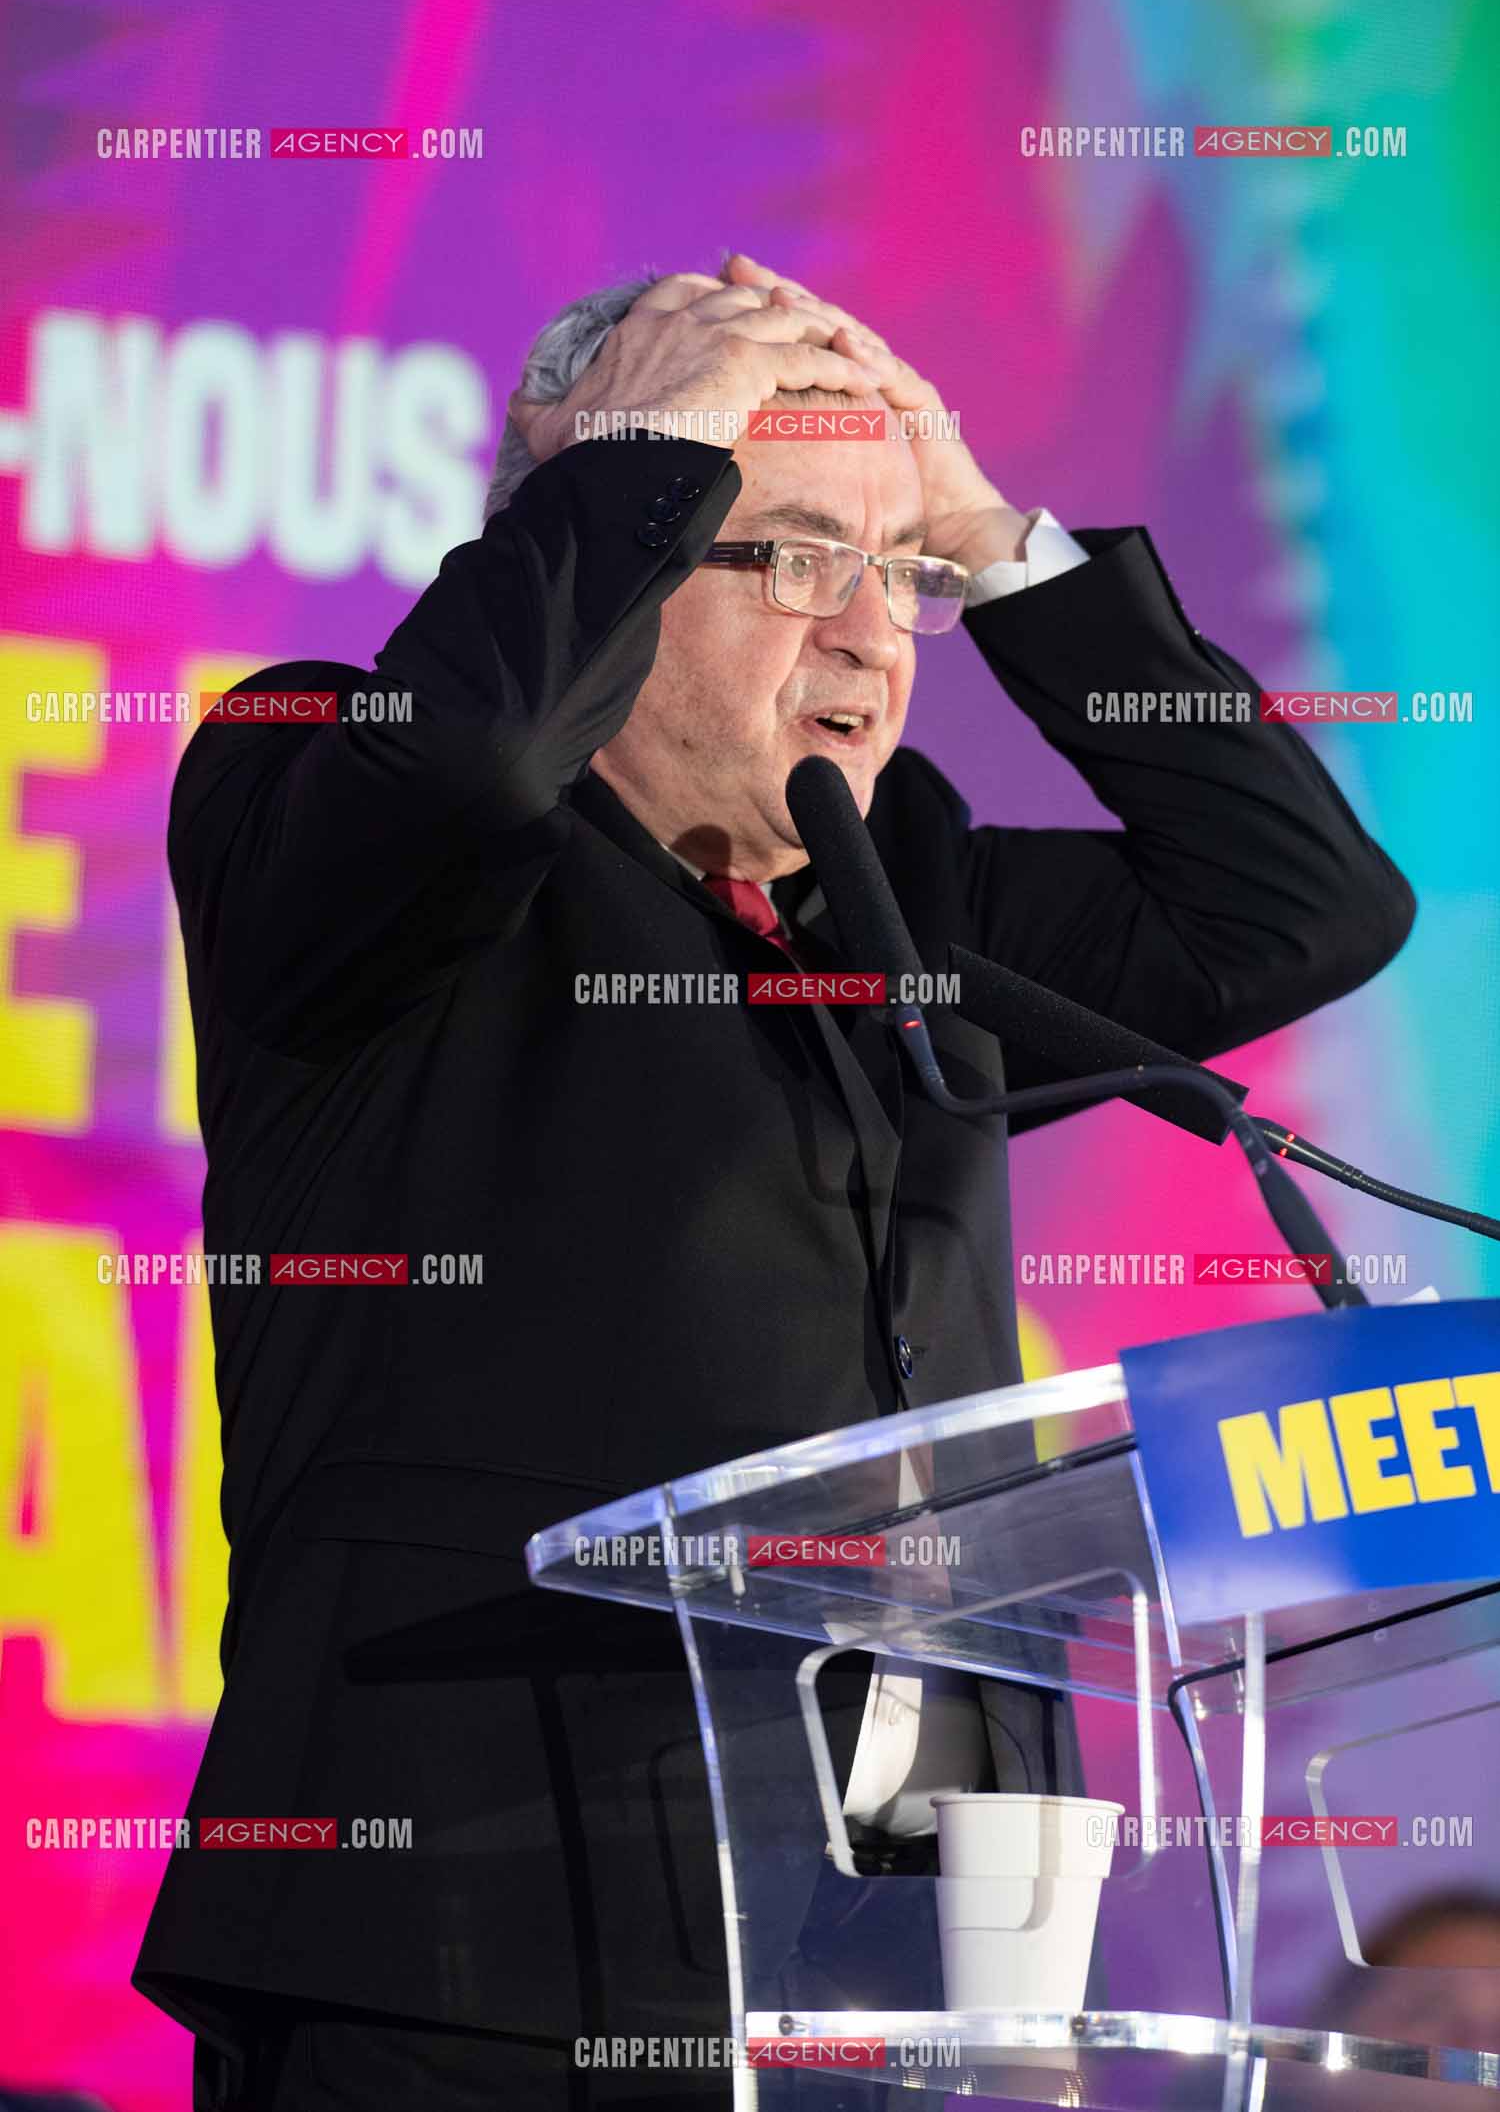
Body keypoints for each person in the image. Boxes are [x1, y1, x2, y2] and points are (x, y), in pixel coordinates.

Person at [133, 253, 1415, 2107]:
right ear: (613, 529)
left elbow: (1299, 907)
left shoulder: (899, 895)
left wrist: (991, 529)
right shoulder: (338, 800)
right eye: (796, 551)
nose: (874, 634)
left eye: (903, 580)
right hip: (479, 1952)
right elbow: (481, 754)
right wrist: (630, 455)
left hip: (904, 1973)